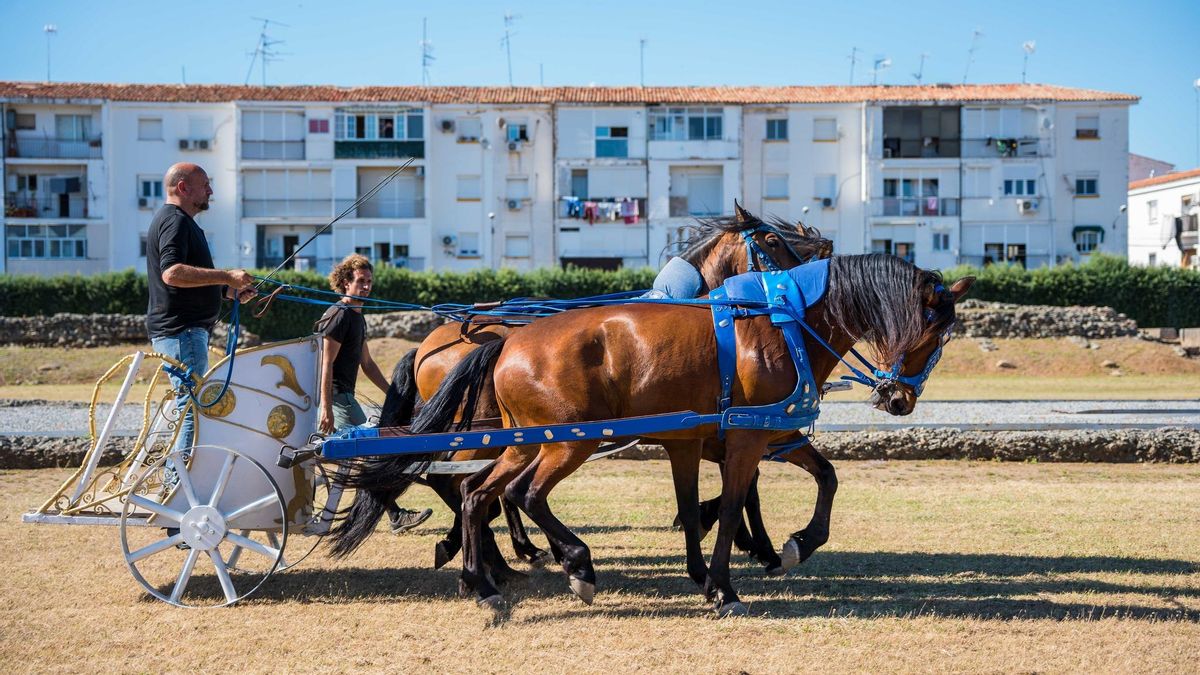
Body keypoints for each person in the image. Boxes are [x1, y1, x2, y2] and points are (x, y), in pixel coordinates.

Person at [317, 254, 432, 534]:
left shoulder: (357, 317)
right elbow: (325, 363)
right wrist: (326, 406)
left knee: (372, 453)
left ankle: (392, 515)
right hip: (337, 397)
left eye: (369, 282)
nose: (366, 286)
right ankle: (394, 515)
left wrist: (395, 394)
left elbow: (366, 364)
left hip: (346, 396)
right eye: (360, 281)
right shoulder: (339, 316)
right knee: (369, 455)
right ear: (346, 283)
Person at [146, 162, 255, 452]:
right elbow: (172, 273)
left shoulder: (182, 222)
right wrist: (226, 275)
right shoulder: (176, 220)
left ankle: (177, 477)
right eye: (205, 184)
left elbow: (187, 279)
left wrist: (228, 291)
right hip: (183, 331)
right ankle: (176, 482)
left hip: (184, 332)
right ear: (183, 187)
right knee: (194, 403)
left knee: (191, 401)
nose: (211, 190)